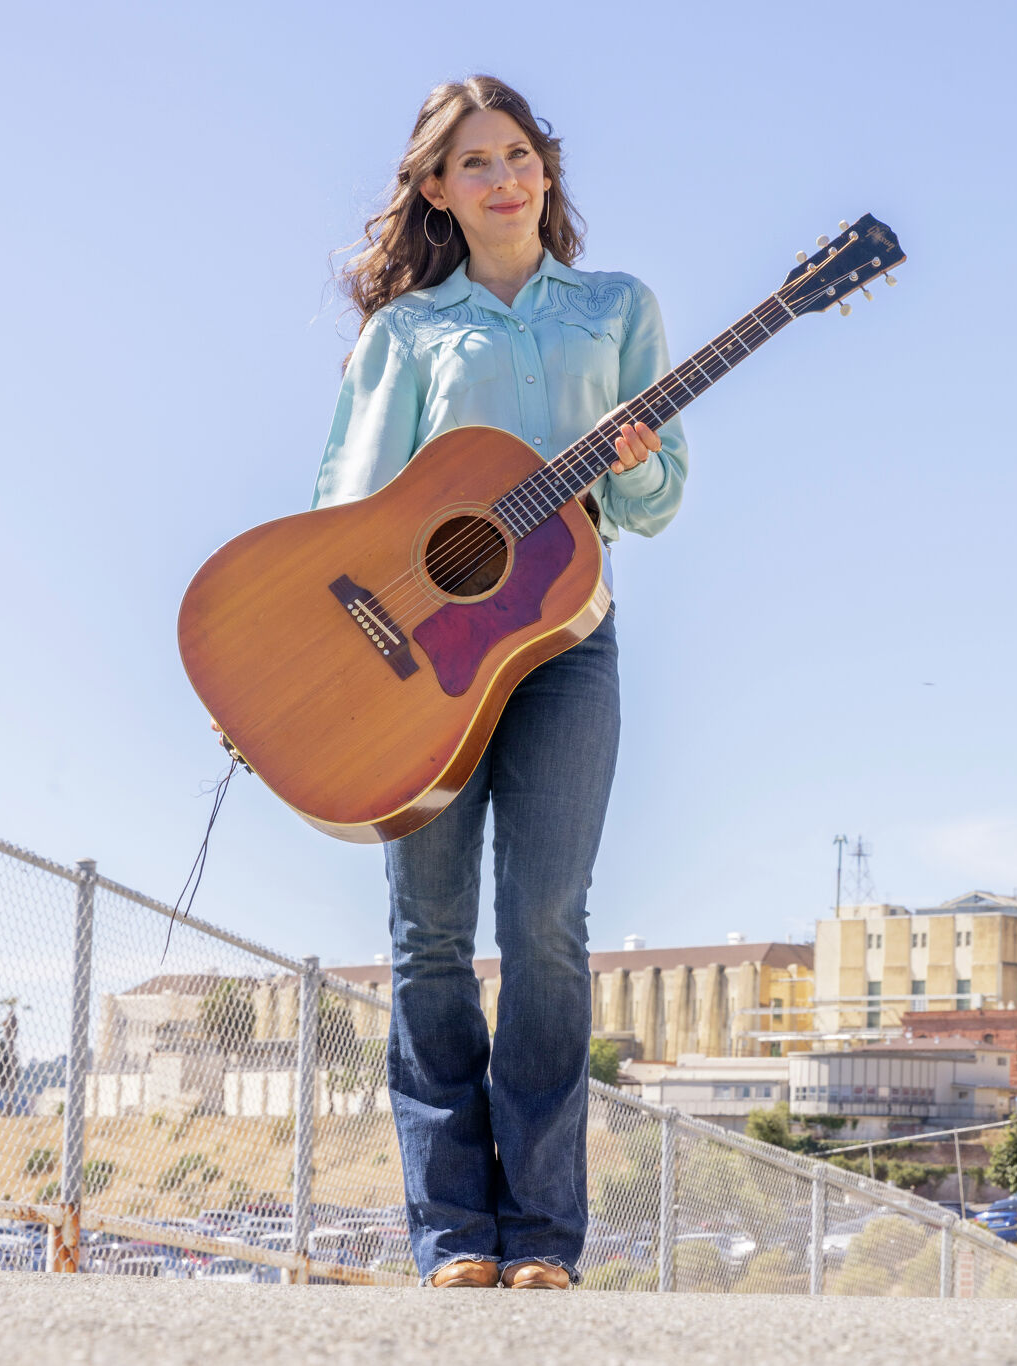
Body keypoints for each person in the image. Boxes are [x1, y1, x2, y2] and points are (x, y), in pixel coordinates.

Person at [312, 75, 687, 1289]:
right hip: (419, 660)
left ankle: (540, 1235)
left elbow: (657, 501)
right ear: (435, 189)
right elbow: (353, 512)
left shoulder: (616, 310)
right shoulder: (410, 333)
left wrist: (628, 464)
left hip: (567, 648)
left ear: (546, 167)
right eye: (474, 162)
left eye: (518, 153)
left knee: (544, 928)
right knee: (427, 935)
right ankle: (450, 1232)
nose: (504, 178)